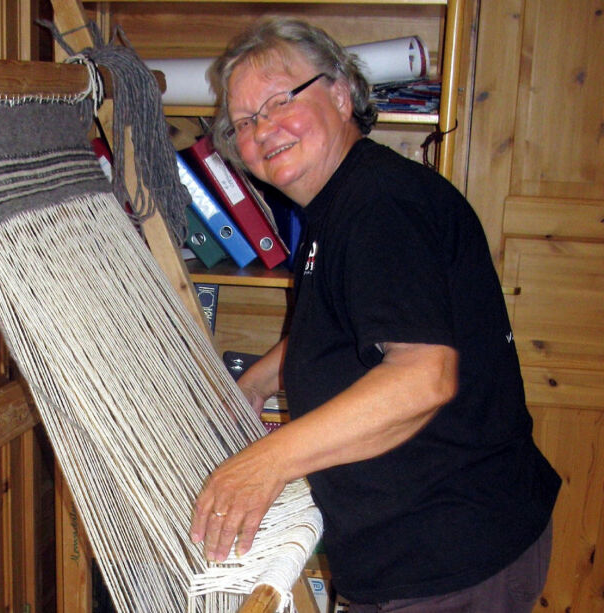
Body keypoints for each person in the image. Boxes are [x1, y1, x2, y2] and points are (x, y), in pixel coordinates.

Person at [188, 17, 561, 612]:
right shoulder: (343, 203)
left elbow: (421, 377)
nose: (263, 129)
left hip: (448, 559)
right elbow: (349, 320)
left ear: (339, 93)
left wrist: (265, 464)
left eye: (281, 100)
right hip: (438, 539)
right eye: (244, 122)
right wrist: (256, 381)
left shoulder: (378, 207)